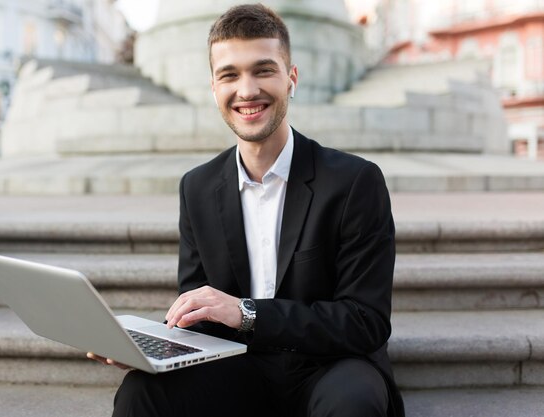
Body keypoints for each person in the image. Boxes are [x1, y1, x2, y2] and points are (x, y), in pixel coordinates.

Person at [89, 4, 405, 417]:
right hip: (237, 368)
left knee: (355, 403)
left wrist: (248, 313)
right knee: (141, 391)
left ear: (291, 79)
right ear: (214, 88)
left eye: (263, 70)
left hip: (331, 367)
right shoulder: (197, 187)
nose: (247, 90)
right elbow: (198, 309)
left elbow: (365, 321)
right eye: (230, 75)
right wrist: (155, 350)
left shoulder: (354, 182)